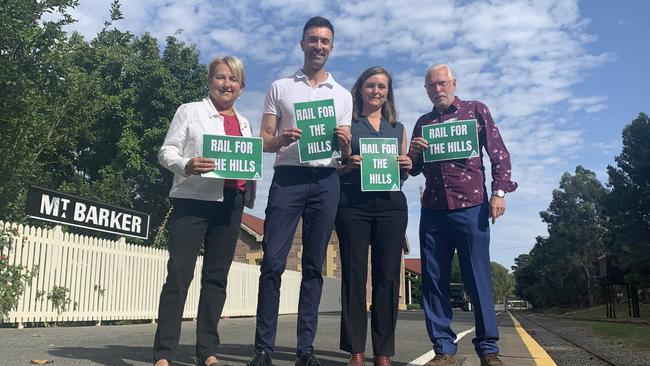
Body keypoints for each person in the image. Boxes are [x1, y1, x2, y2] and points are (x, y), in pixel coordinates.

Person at [246, 16, 352, 366]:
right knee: (273, 263)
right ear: (302, 43)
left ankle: (305, 351)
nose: (318, 46)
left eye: (324, 41)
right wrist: (280, 140)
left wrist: (345, 142)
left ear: (331, 48)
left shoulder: (342, 95)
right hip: (288, 178)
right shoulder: (280, 87)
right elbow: (264, 140)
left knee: (313, 267)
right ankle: (263, 349)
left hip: (326, 181)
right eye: (313, 40)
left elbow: (346, 153)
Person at [408, 64, 518, 366]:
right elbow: (413, 168)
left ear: (453, 84)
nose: (437, 90)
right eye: (431, 86)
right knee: (433, 280)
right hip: (432, 211)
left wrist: (499, 193)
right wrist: (414, 154)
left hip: (472, 207)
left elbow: (499, 154)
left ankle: (488, 349)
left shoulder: (476, 110)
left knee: (478, 277)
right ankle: (443, 349)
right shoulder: (422, 122)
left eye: (442, 83)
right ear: (427, 90)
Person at [153, 56, 256, 366]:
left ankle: (207, 351)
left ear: (241, 87)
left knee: (216, 279)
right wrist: (186, 164)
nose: (226, 84)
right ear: (210, 81)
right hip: (192, 201)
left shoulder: (245, 122)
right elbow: (166, 151)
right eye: (220, 77)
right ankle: (164, 353)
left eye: (233, 79)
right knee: (179, 275)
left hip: (231, 204)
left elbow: (247, 162)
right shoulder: (190, 111)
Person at [334, 66, 411, 366]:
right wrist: (346, 163)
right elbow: (335, 168)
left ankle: (383, 351)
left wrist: (405, 165)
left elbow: (402, 175)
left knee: (387, 278)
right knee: (354, 276)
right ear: (360, 89)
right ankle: (356, 349)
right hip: (353, 205)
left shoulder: (398, 128)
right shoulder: (347, 124)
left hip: (391, 206)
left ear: (387, 92)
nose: (376, 91)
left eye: (382, 87)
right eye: (370, 86)